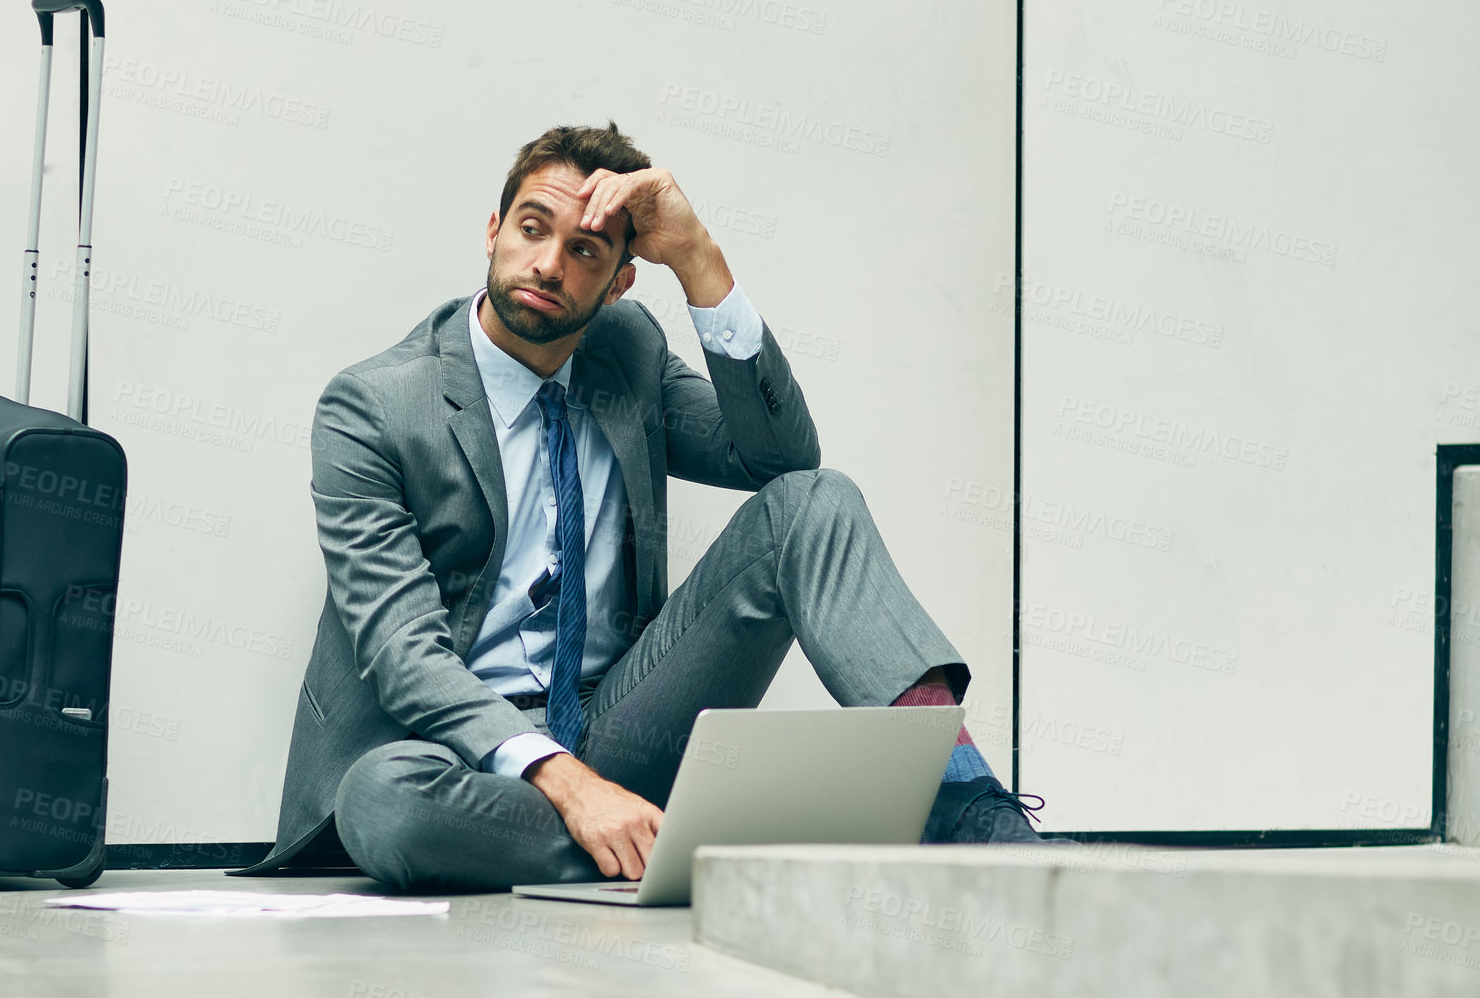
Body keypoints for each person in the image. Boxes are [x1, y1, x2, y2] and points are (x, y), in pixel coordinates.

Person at [244, 123, 1050, 888]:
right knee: (383, 800)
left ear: (622, 279)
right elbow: (401, 652)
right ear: (492, 229)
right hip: (453, 753)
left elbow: (776, 457)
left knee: (814, 502)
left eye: (585, 250)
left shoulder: (625, 353)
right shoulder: (373, 407)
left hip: (620, 727)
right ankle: (674, 842)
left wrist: (699, 257)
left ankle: (968, 809)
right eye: (532, 228)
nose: (550, 264)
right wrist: (561, 780)